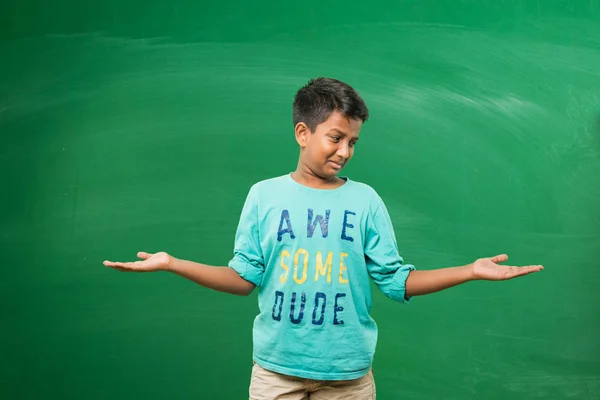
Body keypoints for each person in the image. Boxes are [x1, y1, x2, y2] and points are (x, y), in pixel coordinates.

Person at [103, 77, 543, 399]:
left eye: (353, 142)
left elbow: (395, 281)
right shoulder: (264, 196)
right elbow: (242, 278)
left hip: (349, 377)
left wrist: (469, 270)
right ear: (302, 133)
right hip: (276, 374)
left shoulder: (366, 201)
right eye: (336, 138)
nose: (345, 150)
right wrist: (173, 263)